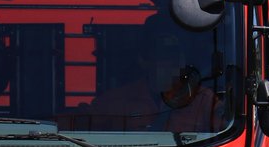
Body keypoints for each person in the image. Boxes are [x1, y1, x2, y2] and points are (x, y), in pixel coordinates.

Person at [89, 27, 220, 132]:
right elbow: (78, 129)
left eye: (177, 54)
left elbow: (226, 135)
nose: (172, 61)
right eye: (164, 54)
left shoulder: (204, 100)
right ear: (143, 60)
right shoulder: (115, 101)